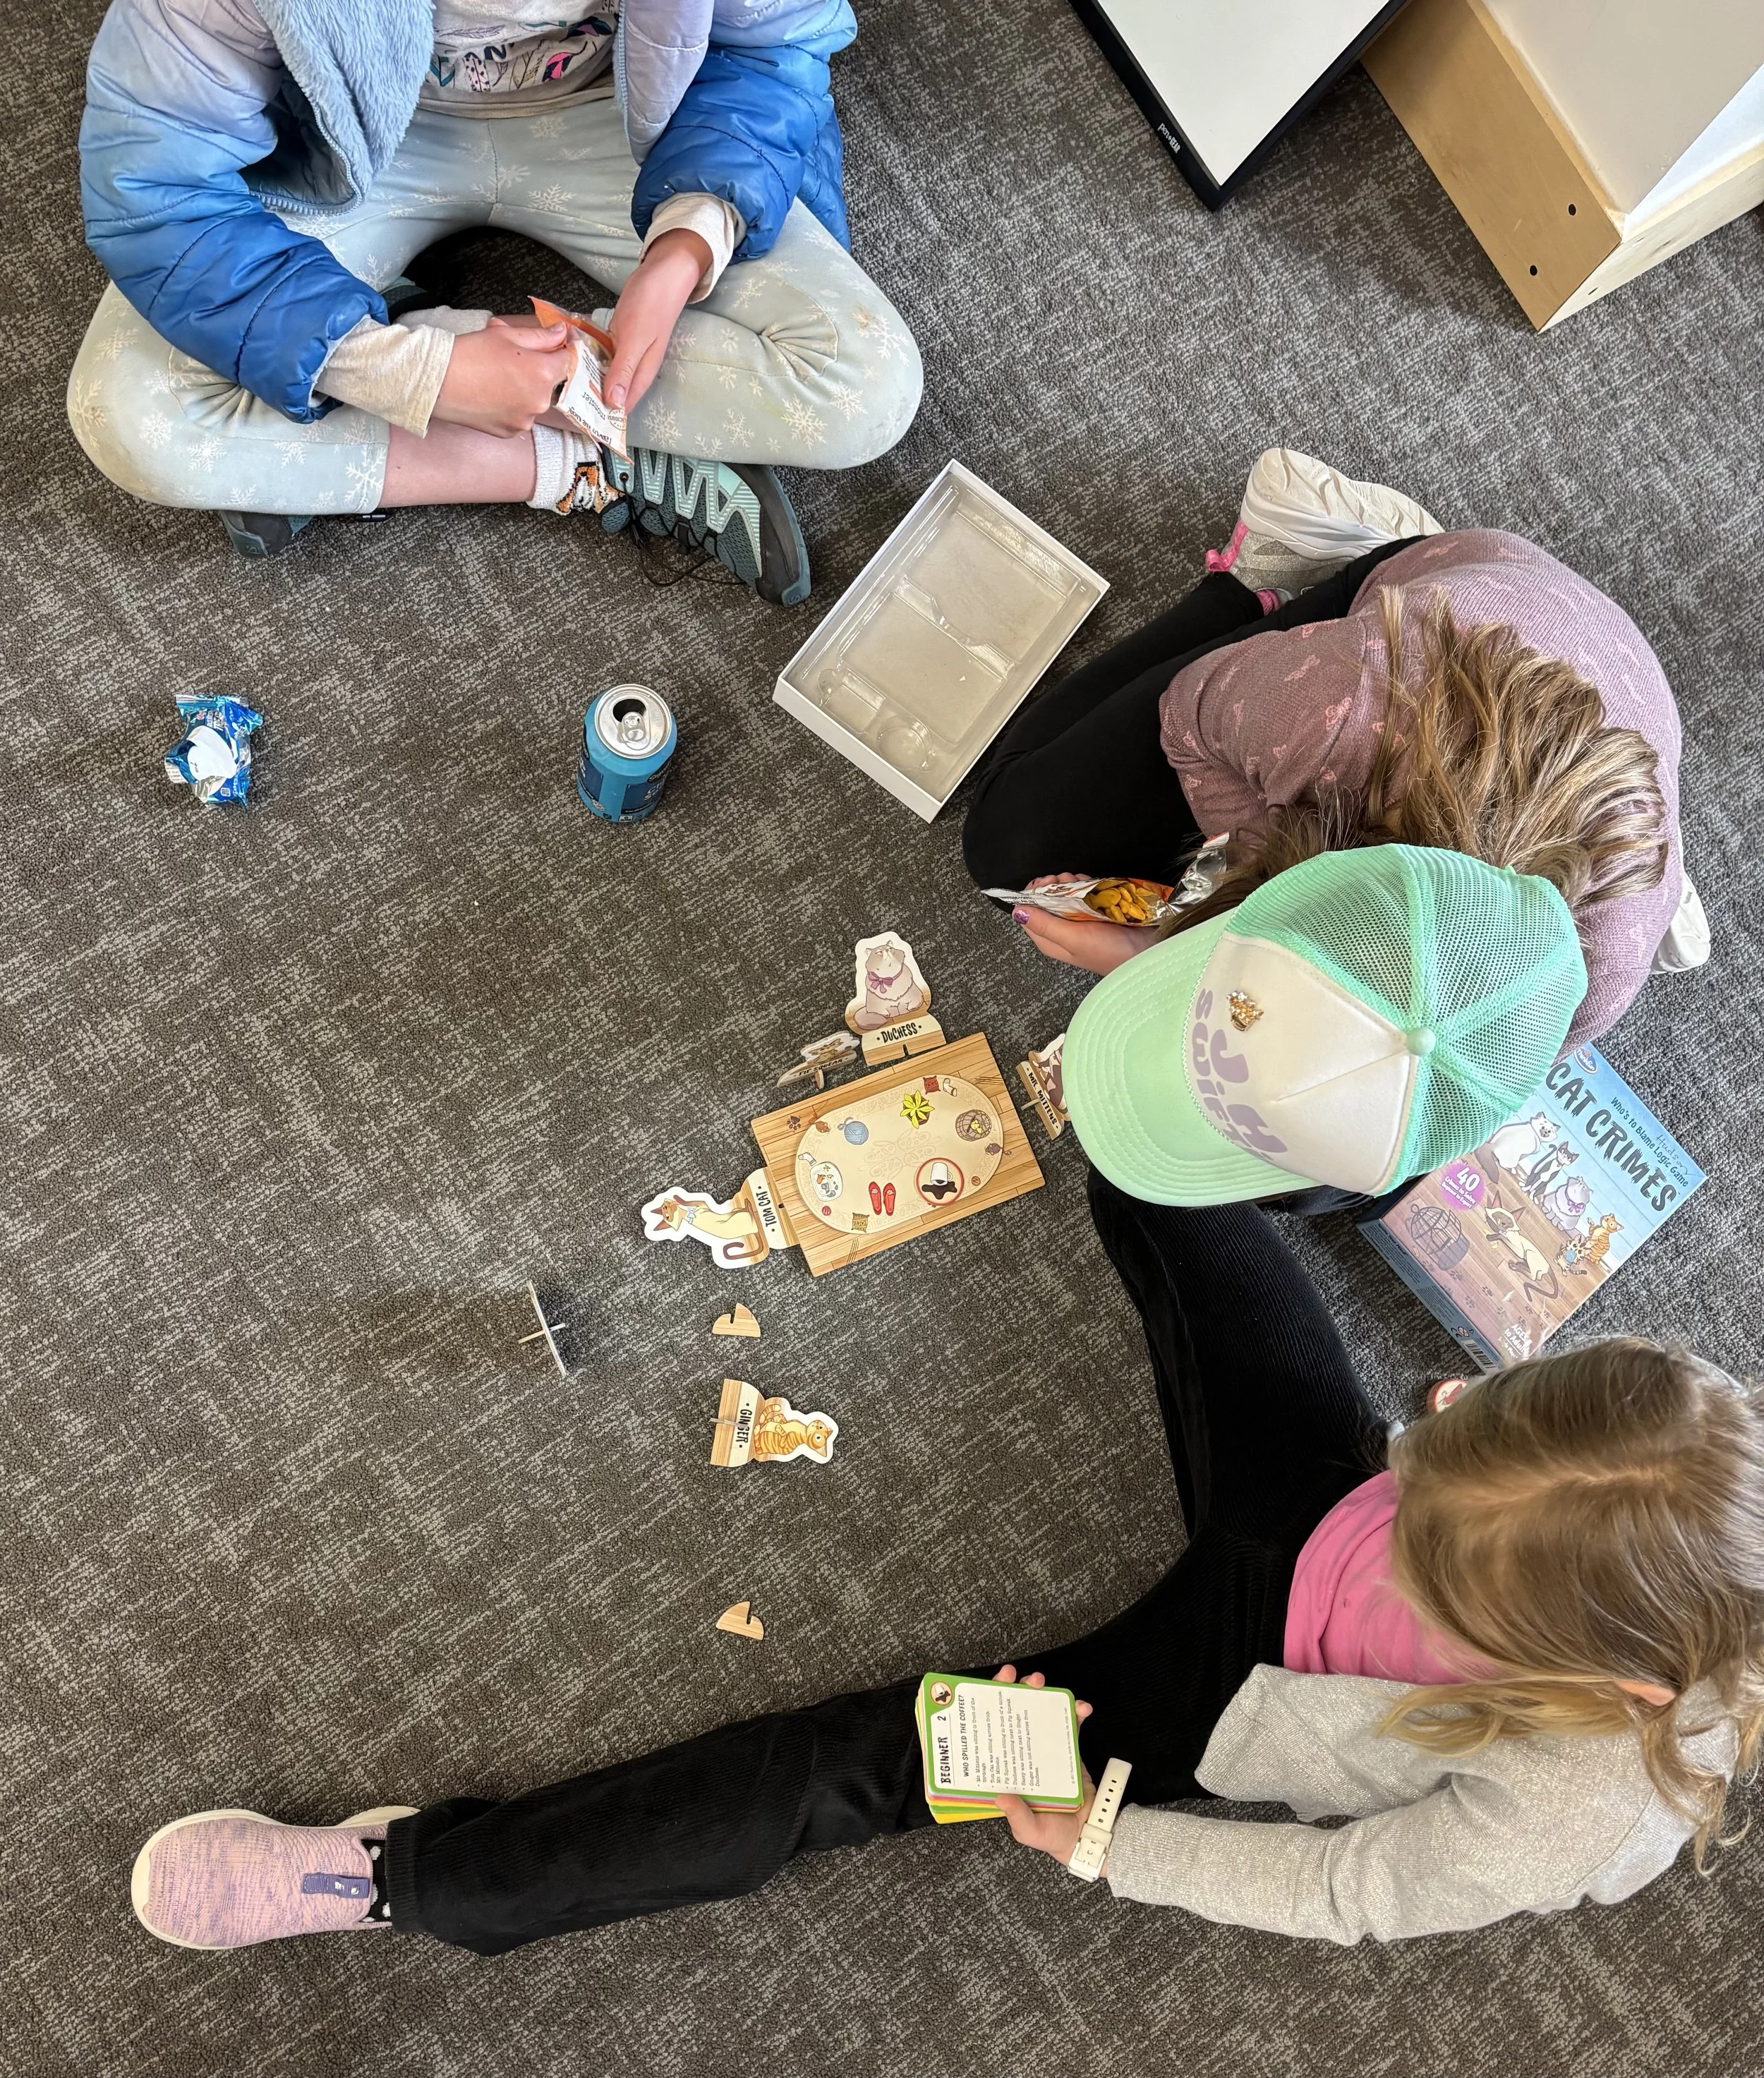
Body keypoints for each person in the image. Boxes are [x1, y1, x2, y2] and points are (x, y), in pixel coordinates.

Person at [129, 1171, 1763, 1953]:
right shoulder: (1688, 1476)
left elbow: (1352, 1888)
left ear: (1601, 1680)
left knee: (860, 1757)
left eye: (1445, 1508)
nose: (1429, 1434)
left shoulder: (1578, 1801)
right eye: (1460, 1427)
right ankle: (1106, 1085)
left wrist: (1111, 1842)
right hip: (1298, 1512)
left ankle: (409, 1877)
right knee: (1188, 1199)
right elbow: (1417, 1452)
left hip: (1229, 1695)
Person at [68, 1, 925, 604]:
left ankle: (326, 424)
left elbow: (772, 52)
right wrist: (415, 372)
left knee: (868, 385)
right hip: (356, 142)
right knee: (127, 413)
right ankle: (599, 463)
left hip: (621, 123)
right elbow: (150, 184)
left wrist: (686, 243)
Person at [963, 449, 1709, 1046]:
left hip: (1609, 748)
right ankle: (1274, 574)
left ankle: (1653, 827)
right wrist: (1196, 917)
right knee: (1007, 844)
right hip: (1442, 599)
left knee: (1325, 1178)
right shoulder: (1331, 709)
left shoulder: (1590, 982)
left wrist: (1174, 956)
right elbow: (1190, 713)